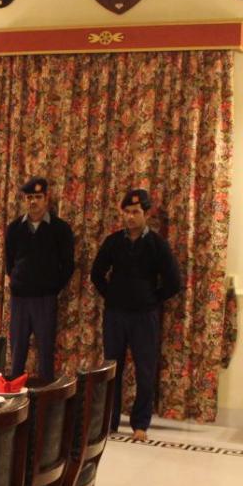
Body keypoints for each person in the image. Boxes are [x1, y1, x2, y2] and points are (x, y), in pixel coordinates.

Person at [89, 188, 182, 441]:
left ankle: (140, 425)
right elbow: (96, 273)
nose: (130, 217)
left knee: (145, 371)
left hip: (144, 317)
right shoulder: (113, 242)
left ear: (146, 214)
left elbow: (174, 282)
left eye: (136, 212)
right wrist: (112, 295)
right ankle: (109, 422)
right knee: (112, 369)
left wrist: (152, 298)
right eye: (127, 212)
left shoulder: (157, 244)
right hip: (115, 316)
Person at [3, 175, 75, 382]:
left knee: (45, 352)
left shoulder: (60, 229)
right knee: (17, 351)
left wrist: (52, 287)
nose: (33, 201)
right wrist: (18, 281)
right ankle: (14, 394)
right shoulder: (14, 228)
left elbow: (68, 265)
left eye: (37, 197)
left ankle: (46, 397)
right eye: (29, 198)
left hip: (45, 299)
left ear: (46, 199)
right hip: (20, 299)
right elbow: (9, 261)